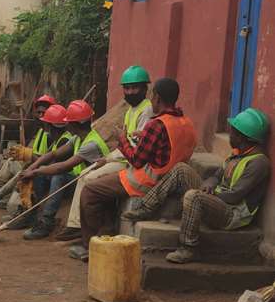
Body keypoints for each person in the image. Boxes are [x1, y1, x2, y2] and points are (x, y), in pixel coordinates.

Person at [69, 77, 197, 261]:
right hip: (170, 176)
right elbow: (169, 147)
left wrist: (122, 139)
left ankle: (91, 247)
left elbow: (137, 160)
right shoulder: (187, 122)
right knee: (102, 187)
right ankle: (106, 233)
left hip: (148, 178)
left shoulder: (156, 124)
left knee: (90, 190)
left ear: (157, 98)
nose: (151, 100)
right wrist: (142, 137)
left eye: (152, 96)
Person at [122, 107, 270, 264]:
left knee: (193, 197)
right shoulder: (239, 153)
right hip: (219, 199)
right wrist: (209, 184)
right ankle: (146, 208)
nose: (230, 135)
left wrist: (209, 194)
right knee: (181, 169)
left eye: (233, 132)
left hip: (232, 214)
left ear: (242, 137)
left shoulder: (258, 163)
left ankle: (188, 248)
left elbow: (234, 196)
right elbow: (216, 176)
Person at [57, 65, 153, 242]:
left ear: (144, 88)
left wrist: (113, 156)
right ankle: (75, 224)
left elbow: (134, 146)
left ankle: (86, 228)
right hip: (122, 157)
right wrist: (107, 158)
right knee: (86, 175)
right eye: (127, 88)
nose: (130, 92)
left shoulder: (147, 110)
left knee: (89, 180)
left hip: (131, 163)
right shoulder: (131, 111)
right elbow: (123, 143)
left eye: (134, 88)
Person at [20, 100, 110, 239]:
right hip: (81, 179)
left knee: (58, 176)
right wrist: (33, 167)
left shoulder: (90, 144)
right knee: (41, 174)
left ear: (73, 125)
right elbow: (54, 154)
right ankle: (30, 214)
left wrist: (36, 170)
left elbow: (63, 166)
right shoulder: (77, 137)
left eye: (68, 122)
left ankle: (47, 222)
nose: (66, 125)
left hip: (92, 184)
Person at [0, 94, 58, 209]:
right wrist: (22, 153)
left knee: (12, 200)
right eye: (38, 112)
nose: (40, 116)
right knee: (12, 161)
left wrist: (28, 154)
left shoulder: (52, 135)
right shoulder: (41, 130)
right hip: (35, 166)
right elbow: (37, 155)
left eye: (44, 113)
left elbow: (48, 161)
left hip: (43, 174)